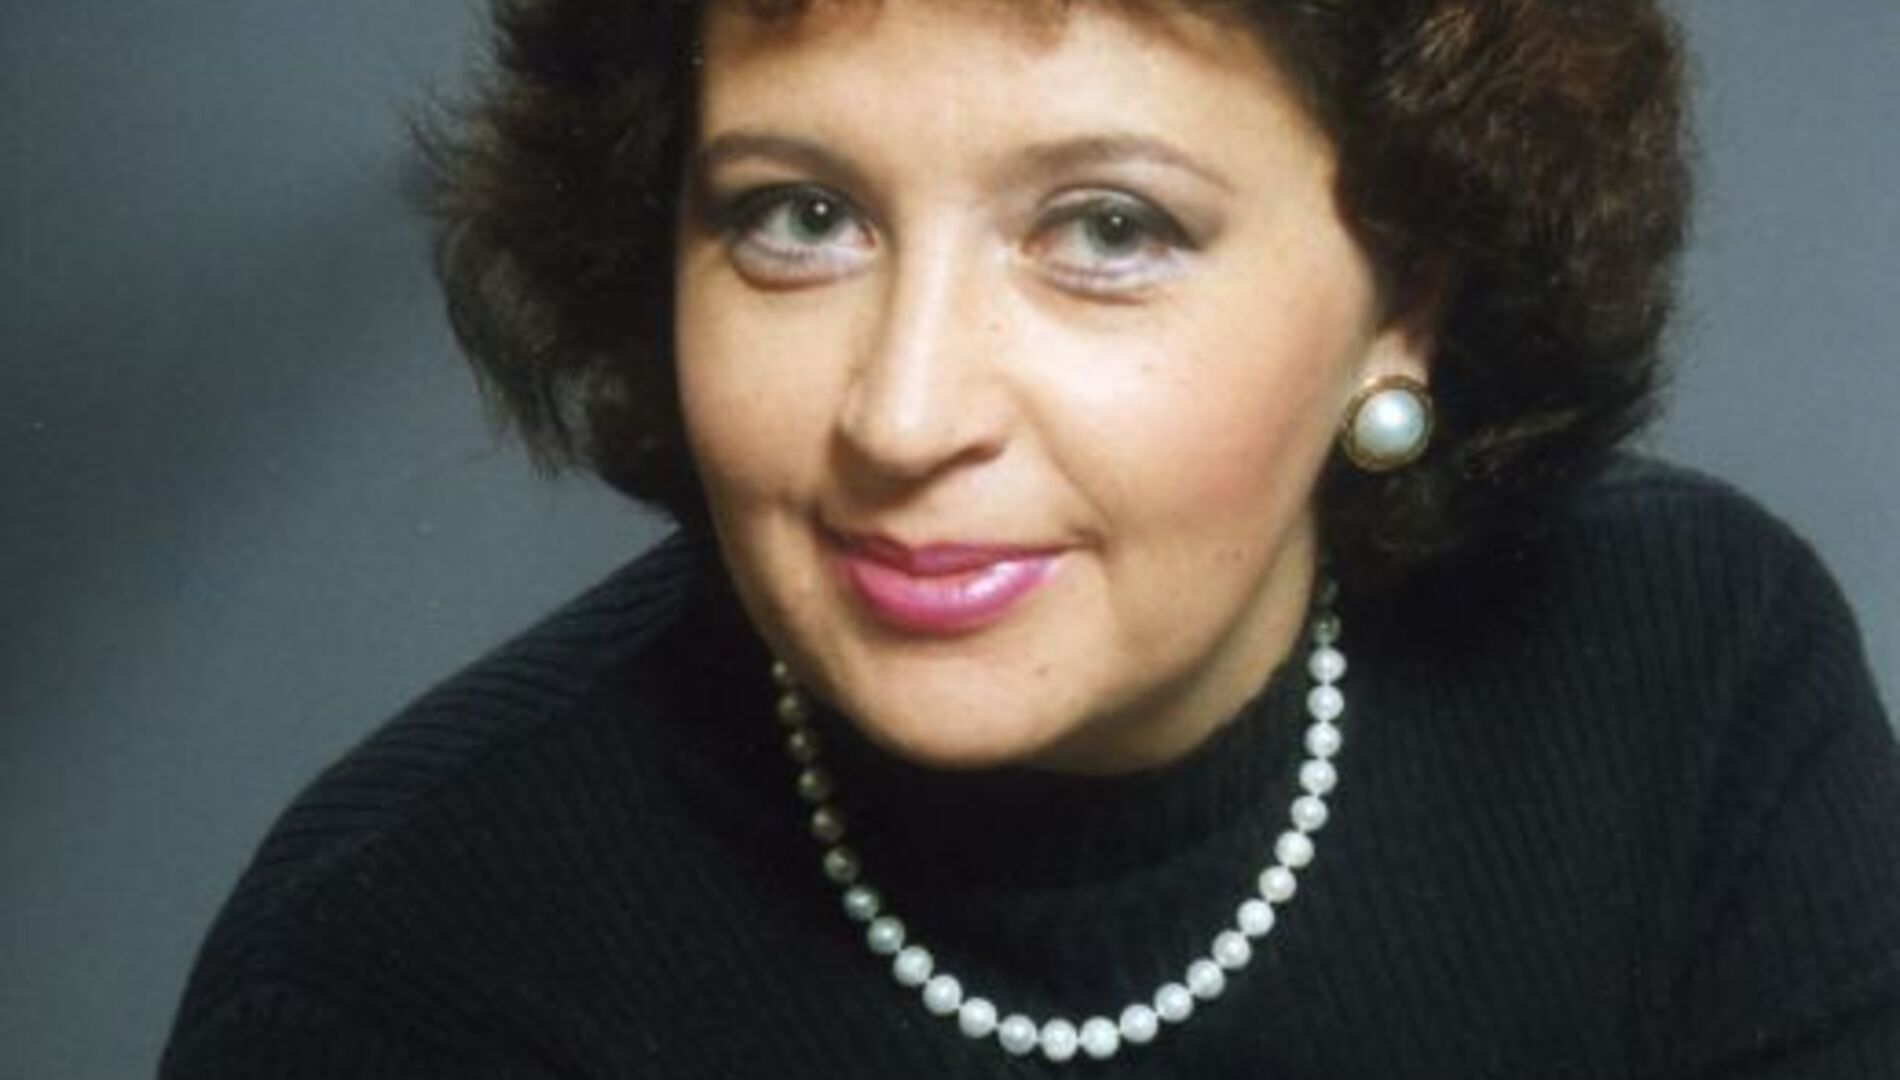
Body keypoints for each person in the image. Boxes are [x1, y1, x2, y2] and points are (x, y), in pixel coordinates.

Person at [163, 0, 1900, 1075]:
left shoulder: (1693, 671)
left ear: (1409, 298)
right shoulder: (398, 974)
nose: (903, 414)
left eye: (1110, 229)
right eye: (800, 216)